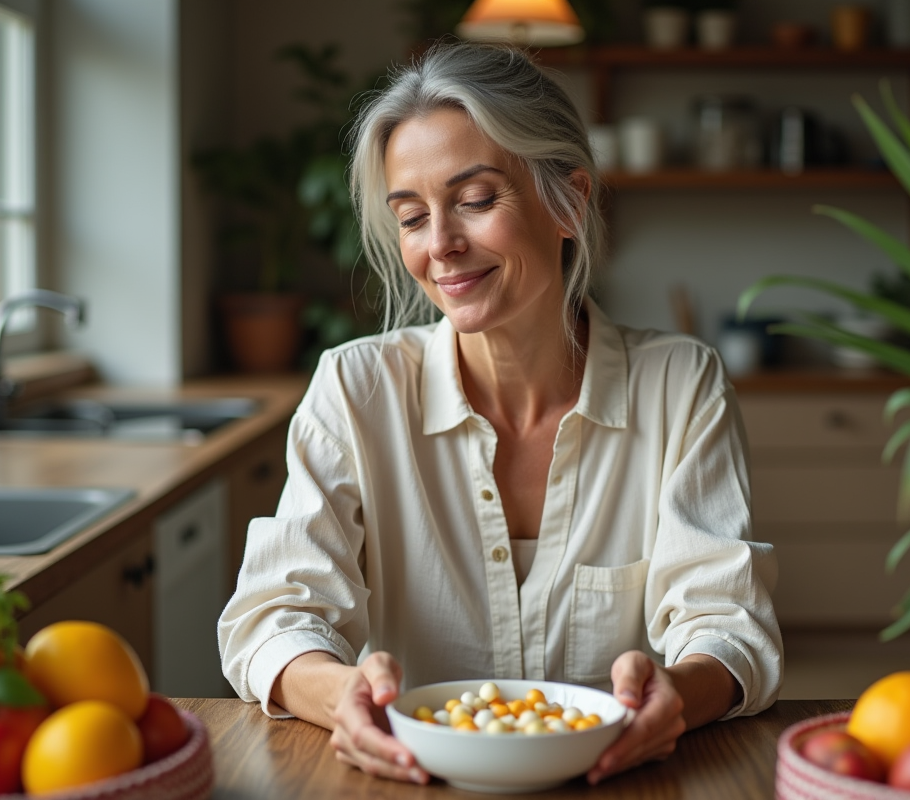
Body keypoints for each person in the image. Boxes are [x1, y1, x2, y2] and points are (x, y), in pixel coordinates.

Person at [218, 41, 783, 786]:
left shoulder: (680, 385)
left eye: (477, 201)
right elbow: (273, 616)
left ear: (569, 201)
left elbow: (729, 624)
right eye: (413, 217)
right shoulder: (355, 389)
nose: (442, 246)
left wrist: (675, 695)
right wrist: (337, 692)